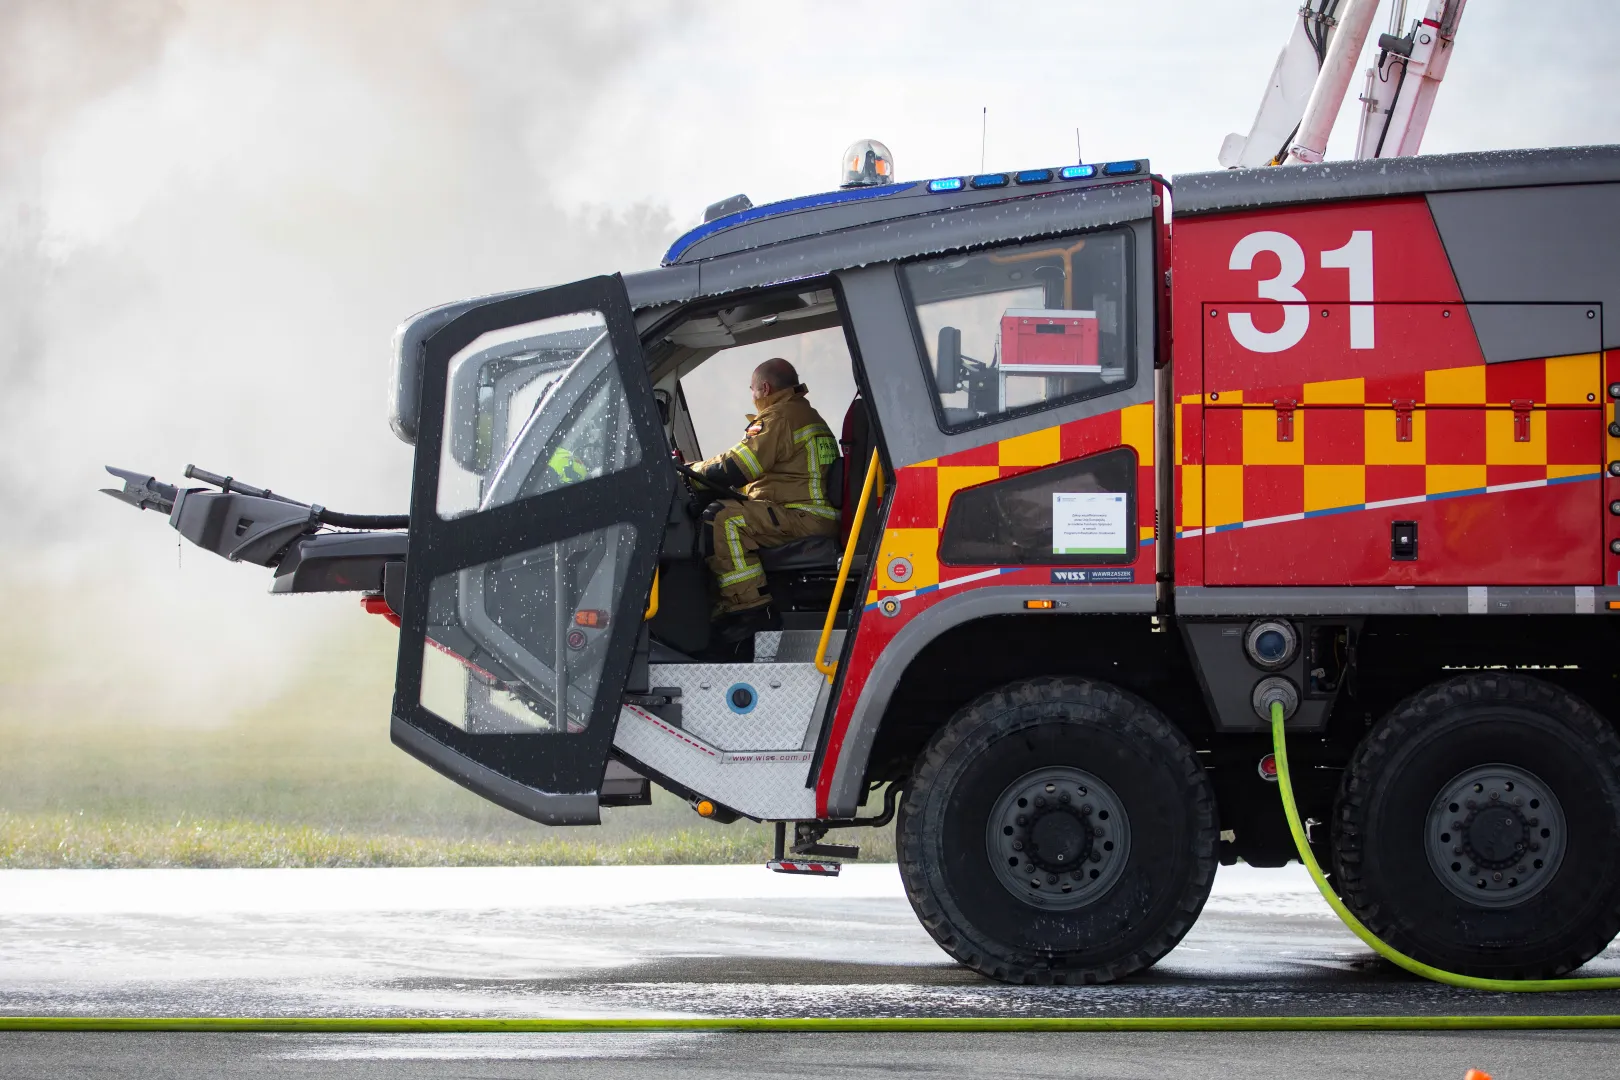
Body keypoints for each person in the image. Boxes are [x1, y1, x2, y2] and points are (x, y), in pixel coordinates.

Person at [692, 357, 840, 642]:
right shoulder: (804, 414)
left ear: (764, 388)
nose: (752, 396)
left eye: (752, 390)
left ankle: (751, 613)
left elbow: (738, 466)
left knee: (723, 518)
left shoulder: (780, 417)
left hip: (802, 516)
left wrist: (691, 471)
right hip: (812, 513)